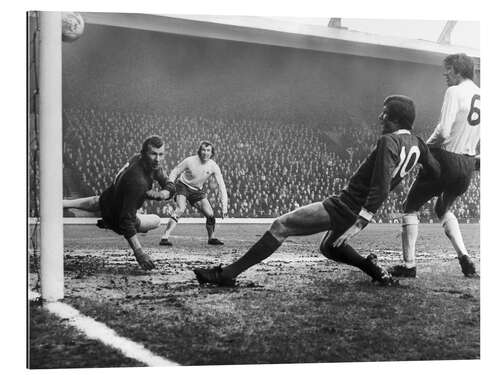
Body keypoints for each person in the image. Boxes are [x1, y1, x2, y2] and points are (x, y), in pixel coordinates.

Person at [193, 95, 440, 287]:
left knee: (281, 225)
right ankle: (377, 272)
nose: (379, 117)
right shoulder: (419, 144)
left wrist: (361, 221)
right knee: (329, 247)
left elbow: (381, 184)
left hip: (346, 206)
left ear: (394, 118)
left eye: (384, 113)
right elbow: (436, 172)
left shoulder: (389, 141)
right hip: (352, 207)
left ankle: (227, 274)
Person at [388, 53, 480, 278]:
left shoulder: (454, 92)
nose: (444, 74)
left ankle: (409, 266)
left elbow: (444, 131)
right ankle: (465, 258)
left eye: (448, 69)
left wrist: (423, 149)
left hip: (445, 159)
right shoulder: (484, 95)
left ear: (458, 70)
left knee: (410, 206)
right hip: (467, 164)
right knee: (442, 208)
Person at [63, 135, 175, 270]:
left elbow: (167, 182)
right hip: (119, 219)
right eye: (154, 154)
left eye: (161, 154)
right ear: (144, 154)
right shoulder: (137, 181)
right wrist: (139, 253)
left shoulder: (138, 159)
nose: (158, 159)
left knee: (100, 200)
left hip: (107, 201)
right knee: (156, 220)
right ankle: (110, 224)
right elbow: (126, 221)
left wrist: (164, 194)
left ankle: (63, 203)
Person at [159, 140, 228, 246]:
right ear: (199, 151)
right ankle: (165, 237)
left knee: (210, 215)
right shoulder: (190, 161)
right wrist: (170, 186)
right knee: (180, 209)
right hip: (182, 186)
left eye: (208, 150)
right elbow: (175, 171)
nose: (205, 152)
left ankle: (211, 238)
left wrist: (224, 207)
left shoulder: (213, 166)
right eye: (203, 150)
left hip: (197, 190)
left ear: (212, 152)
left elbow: (221, 186)